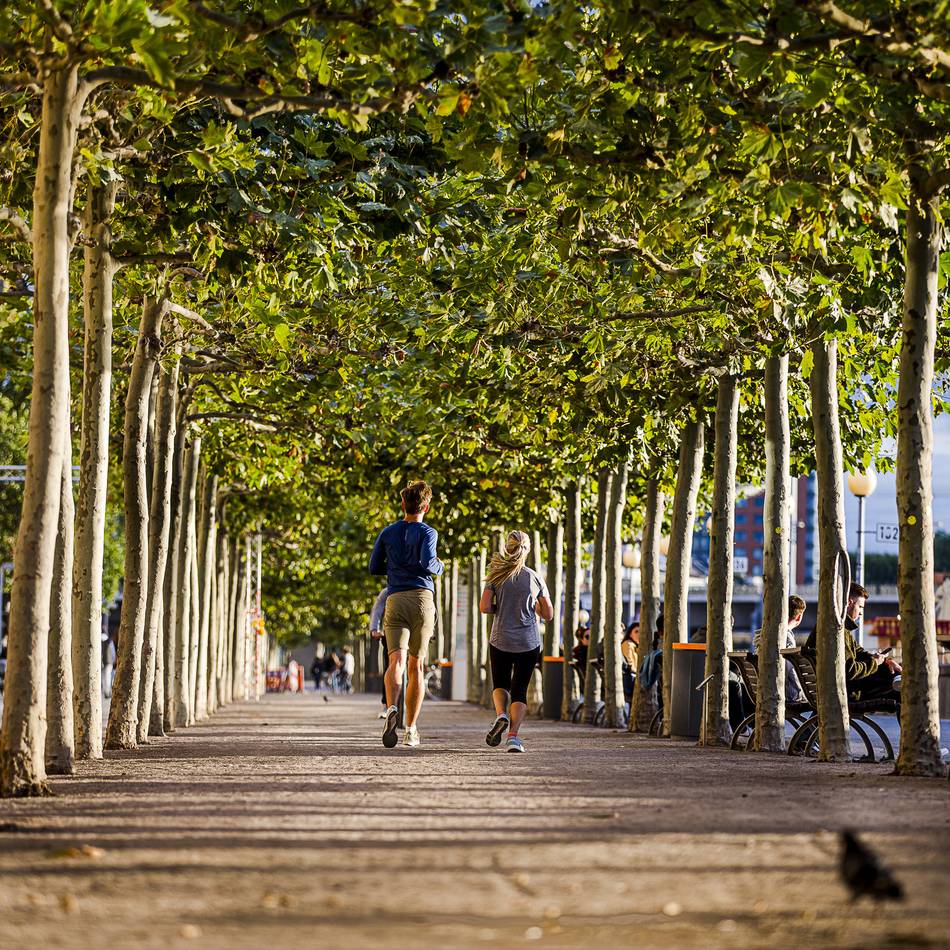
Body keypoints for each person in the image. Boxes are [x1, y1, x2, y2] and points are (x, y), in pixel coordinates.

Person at [369, 479, 443, 748]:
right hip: (422, 599)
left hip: (395, 598)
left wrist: (394, 569)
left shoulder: (388, 532)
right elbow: (428, 562)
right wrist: (440, 566)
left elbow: (374, 566)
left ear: (403, 504)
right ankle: (411, 729)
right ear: (427, 506)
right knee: (417, 666)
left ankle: (391, 708)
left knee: (395, 663)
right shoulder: (428, 533)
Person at [479, 530, 553, 753]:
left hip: (500, 639)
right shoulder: (534, 577)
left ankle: (501, 714)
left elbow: (484, 607)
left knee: (500, 684)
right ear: (527, 549)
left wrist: (498, 608)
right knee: (520, 689)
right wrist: (534, 607)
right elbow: (548, 614)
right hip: (528, 642)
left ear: (507, 547)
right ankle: (513, 737)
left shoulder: (496, 575)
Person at [804, 583, 901, 704]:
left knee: (894, 677)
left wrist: (885, 661)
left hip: (834, 687)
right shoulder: (837, 631)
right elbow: (851, 670)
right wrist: (875, 662)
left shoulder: (834, 626)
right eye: (860, 607)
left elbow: (859, 653)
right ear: (849, 602)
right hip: (844, 692)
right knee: (901, 690)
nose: (861, 613)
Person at [752, 594, 807, 703]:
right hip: (785, 694)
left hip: (761, 690)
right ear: (799, 617)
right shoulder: (787, 638)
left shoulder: (765, 635)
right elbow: (789, 670)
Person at [369, 586, 390, 716]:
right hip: (391, 632)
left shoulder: (418, 585)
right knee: (389, 667)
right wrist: (374, 629)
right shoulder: (388, 591)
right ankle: (386, 703)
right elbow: (377, 610)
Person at [621, 622, 639, 705]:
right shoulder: (628, 645)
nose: (639, 634)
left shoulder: (636, 646)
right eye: (636, 631)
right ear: (630, 634)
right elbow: (630, 664)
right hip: (631, 681)